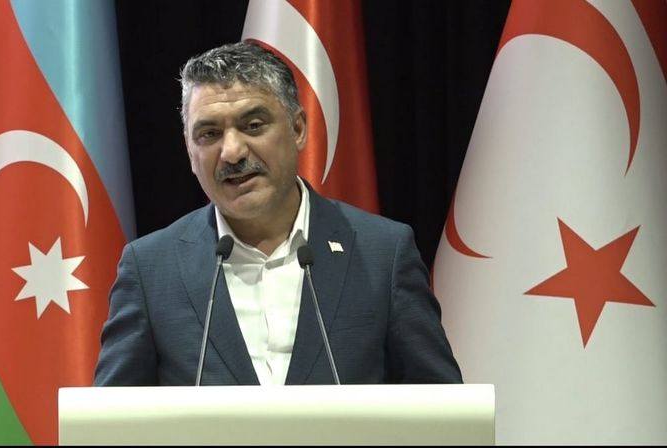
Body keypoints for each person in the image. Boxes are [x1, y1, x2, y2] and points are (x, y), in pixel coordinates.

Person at [94, 42, 462, 386]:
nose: (232, 152)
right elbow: (110, 421)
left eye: (253, 126)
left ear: (298, 129)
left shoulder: (383, 253)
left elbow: (443, 411)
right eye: (209, 134)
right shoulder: (150, 270)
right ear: (190, 151)